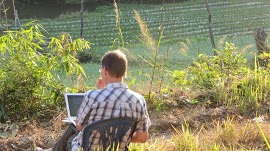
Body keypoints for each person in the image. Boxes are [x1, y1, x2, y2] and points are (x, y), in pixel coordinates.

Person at [44, 50, 151, 151]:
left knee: (72, 133)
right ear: (125, 72)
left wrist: (100, 91)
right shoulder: (139, 100)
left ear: (105, 71)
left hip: (89, 148)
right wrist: (118, 137)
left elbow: (79, 126)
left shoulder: (93, 96)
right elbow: (142, 138)